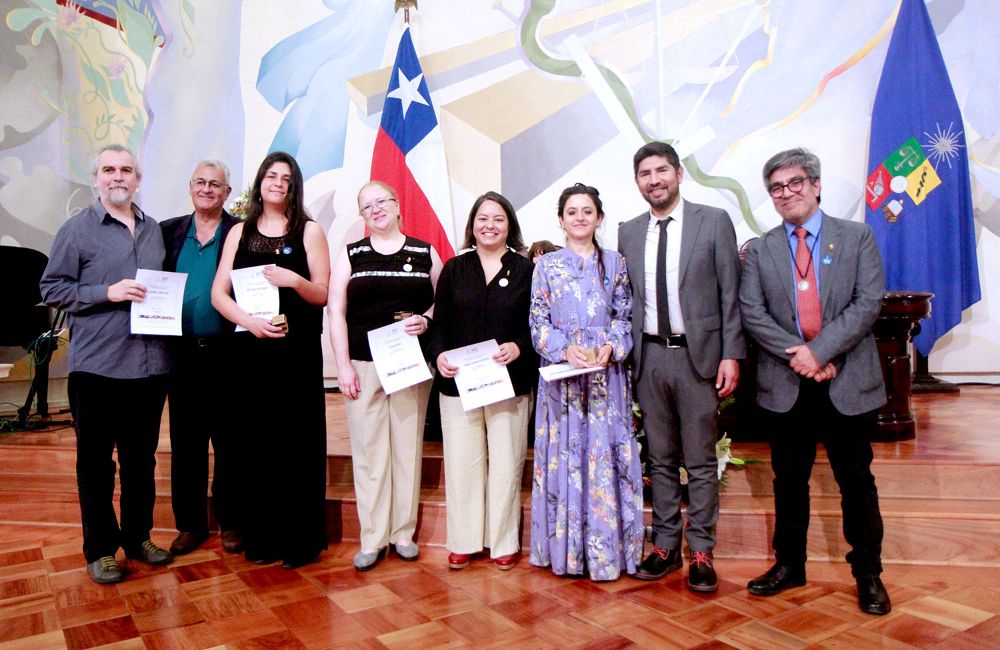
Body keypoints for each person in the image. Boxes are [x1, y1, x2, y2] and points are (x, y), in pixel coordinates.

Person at [739, 148, 891, 615]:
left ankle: (868, 574)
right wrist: (801, 358)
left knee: (856, 482)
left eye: (795, 183)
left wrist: (820, 351)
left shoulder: (857, 236)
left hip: (846, 380)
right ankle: (790, 565)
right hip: (788, 384)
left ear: (816, 184)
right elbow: (752, 312)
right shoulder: (760, 248)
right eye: (777, 188)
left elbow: (868, 303)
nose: (787, 193)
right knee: (789, 481)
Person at [40, 144, 172, 583]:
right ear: (96, 179)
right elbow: (52, 289)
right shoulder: (76, 230)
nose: (118, 177)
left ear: (137, 179)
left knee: (142, 463)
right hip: (96, 369)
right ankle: (100, 549)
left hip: (149, 368)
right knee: (95, 465)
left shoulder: (154, 230)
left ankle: (138, 537)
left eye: (127, 170)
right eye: (109, 170)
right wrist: (105, 292)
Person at [617, 142, 745, 591]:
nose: (654, 180)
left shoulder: (713, 222)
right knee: (661, 457)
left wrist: (731, 353)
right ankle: (666, 545)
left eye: (662, 171)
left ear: (678, 174)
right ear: (638, 182)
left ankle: (702, 549)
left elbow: (731, 294)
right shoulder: (628, 232)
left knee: (701, 460)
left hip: (699, 357)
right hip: (648, 356)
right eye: (645, 173)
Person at [210, 151, 330, 569]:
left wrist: (293, 280)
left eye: (286, 177)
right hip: (251, 352)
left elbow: (323, 294)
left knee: (295, 444)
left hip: (295, 356)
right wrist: (249, 321)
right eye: (271, 175)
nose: (278, 182)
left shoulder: (309, 230)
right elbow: (217, 293)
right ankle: (261, 537)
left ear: (294, 186)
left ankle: (299, 539)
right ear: (260, 182)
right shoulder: (239, 232)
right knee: (255, 445)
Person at [529, 183, 643, 581]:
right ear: (560, 220)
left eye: (587, 211)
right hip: (562, 382)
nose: (579, 217)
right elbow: (537, 321)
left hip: (605, 380)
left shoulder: (615, 263)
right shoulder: (545, 265)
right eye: (572, 211)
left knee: (604, 455)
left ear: (599, 217)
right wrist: (562, 348)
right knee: (566, 457)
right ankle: (566, 553)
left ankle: (608, 553)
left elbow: (624, 316)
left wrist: (612, 345)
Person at [328, 181, 442, 571]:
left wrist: (425, 321)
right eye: (366, 206)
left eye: (381, 202)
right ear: (362, 216)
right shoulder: (351, 254)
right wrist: (342, 364)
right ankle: (373, 538)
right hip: (362, 364)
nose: (375, 209)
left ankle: (403, 533)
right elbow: (335, 311)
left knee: (406, 448)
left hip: (410, 365)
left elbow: (444, 304)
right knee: (369, 453)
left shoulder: (424, 252)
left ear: (397, 206)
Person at [429, 191, 537, 571]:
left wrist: (519, 347)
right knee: (462, 464)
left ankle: (503, 541)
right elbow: (438, 324)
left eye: (498, 219)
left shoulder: (526, 271)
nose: (489, 225)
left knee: (507, 464)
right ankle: (464, 541)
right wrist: (439, 355)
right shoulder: (454, 269)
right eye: (482, 218)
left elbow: (537, 328)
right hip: (458, 385)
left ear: (510, 226)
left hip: (509, 383)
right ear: (472, 225)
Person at [160, 160, 243, 556]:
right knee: (186, 444)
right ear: (190, 187)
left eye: (216, 184)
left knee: (231, 442)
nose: (207, 189)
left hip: (229, 354)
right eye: (201, 182)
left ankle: (231, 522)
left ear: (228, 192)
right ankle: (190, 526)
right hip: (181, 356)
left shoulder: (240, 231)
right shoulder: (167, 232)